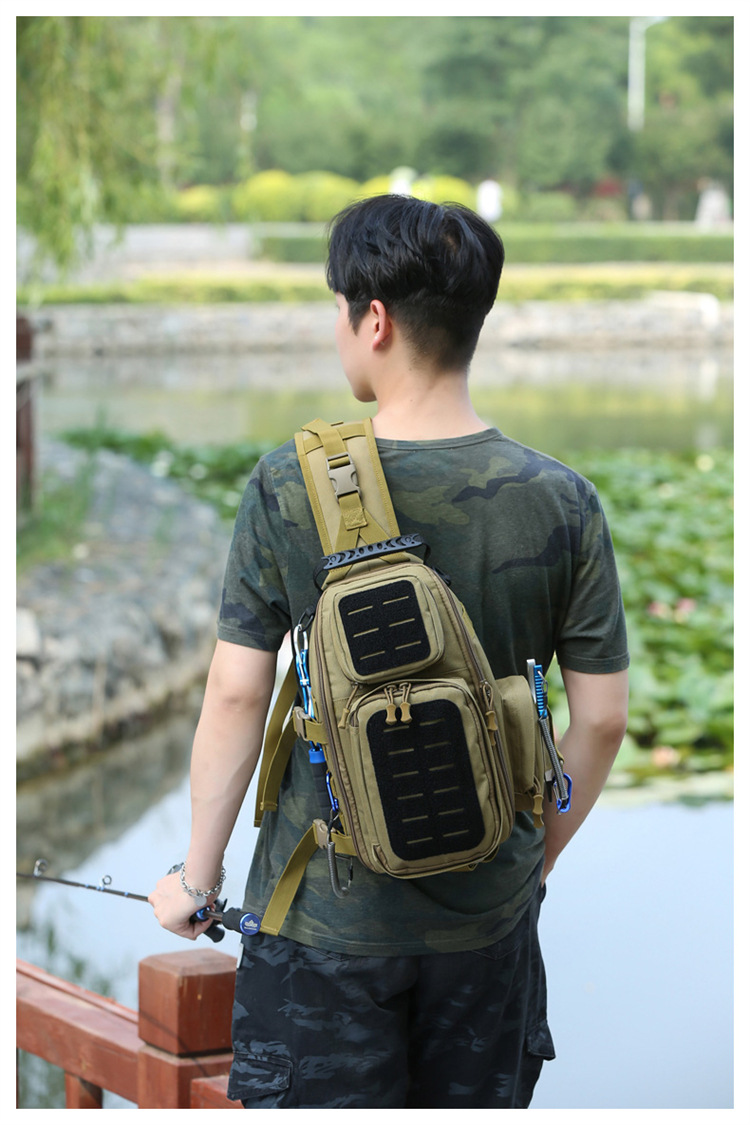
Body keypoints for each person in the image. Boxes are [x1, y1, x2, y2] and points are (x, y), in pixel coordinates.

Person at [149, 194, 629, 1109]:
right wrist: (530, 859)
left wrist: (195, 880)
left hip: (324, 930)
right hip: (487, 932)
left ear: (374, 320)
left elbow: (238, 695)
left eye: (337, 306)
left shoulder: (289, 484)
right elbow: (601, 718)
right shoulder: (563, 498)